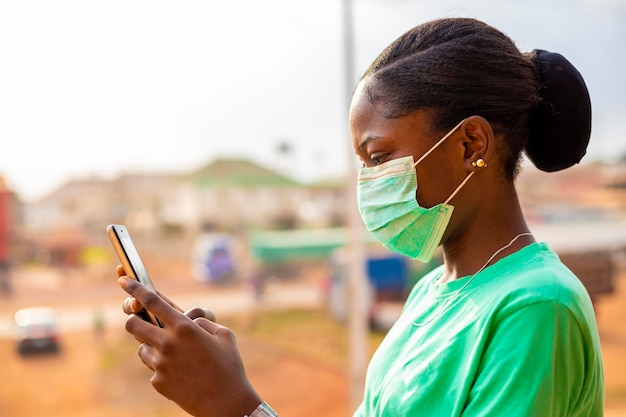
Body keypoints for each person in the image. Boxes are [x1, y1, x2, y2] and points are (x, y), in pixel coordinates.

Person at [117, 17, 604, 417]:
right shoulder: (432, 292)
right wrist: (220, 378)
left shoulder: (536, 307)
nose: (369, 181)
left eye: (379, 157)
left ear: (469, 145)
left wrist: (235, 407)